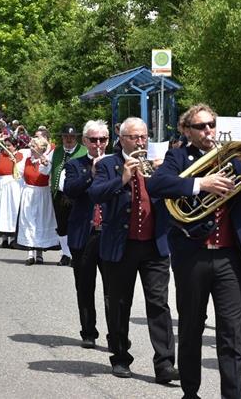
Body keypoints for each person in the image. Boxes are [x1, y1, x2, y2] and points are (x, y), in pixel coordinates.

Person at [147, 104, 241, 399]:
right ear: (186, 131)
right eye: (201, 126)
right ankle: (191, 392)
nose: (208, 131)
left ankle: (233, 395)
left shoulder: (234, 156)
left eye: (211, 125)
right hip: (193, 255)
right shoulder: (179, 157)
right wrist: (201, 183)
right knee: (191, 328)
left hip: (230, 257)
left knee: (230, 333)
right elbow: (158, 183)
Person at [88, 117, 178, 383]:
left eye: (143, 137)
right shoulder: (107, 164)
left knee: (159, 305)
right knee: (119, 303)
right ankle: (120, 357)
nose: (140, 142)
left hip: (154, 245)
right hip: (121, 245)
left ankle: (164, 364)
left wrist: (166, 176)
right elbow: (95, 194)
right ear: (122, 138)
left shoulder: (158, 165)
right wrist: (123, 177)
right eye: (134, 137)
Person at [60, 120, 110, 349]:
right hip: (84, 233)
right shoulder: (74, 164)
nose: (98, 144)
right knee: (85, 286)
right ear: (85, 141)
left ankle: (116, 336)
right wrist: (91, 173)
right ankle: (88, 331)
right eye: (93, 140)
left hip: (110, 234)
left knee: (114, 290)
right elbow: (70, 190)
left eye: (103, 139)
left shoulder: (117, 164)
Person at [17, 136, 59, 265]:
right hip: (29, 193)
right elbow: (18, 173)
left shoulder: (46, 160)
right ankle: (30, 254)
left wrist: (45, 163)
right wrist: (15, 162)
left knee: (41, 221)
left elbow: (46, 173)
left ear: (41, 148)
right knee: (29, 221)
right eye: (31, 145)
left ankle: (40, 253)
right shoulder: (26, 160)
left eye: (34, 145)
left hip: (43, 193)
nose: (31, 147)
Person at [51, 124, 88, 266]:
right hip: (59, 194)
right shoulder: (57, 151)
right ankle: (66, 254)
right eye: (66, 136)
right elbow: (48, 169)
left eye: (72, 137)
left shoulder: (83, 151)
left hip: (77, 195)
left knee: (76, 225)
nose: (69, 139)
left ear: (76, 138)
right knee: (61, 226)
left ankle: (75, 254)